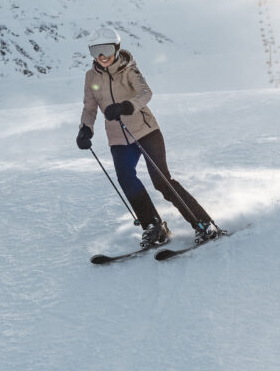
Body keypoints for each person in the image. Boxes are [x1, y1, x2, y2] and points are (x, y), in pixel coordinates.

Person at [76, 27, 218, 248]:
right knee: (127, 180)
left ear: (116, 48)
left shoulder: (128, 69)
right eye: (96, 51)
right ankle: (153, 226)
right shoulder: (91, 77)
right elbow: (90, 107)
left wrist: (126, 106)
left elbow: (145, 93)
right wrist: (85, 129)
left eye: (106, 50)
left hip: (146, 131)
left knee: (161, 180)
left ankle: (203, 223)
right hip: (118, 138)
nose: (101, 56)